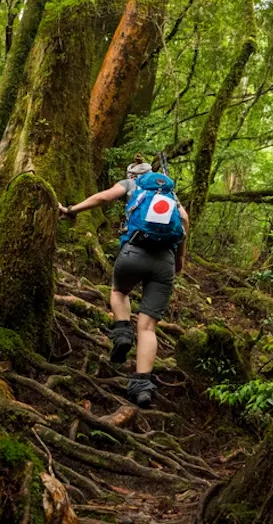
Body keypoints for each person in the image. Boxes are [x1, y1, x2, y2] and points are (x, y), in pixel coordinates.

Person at [58, 159, 189, 408]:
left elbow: (103, 198)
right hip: (164, 261)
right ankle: (141, 387)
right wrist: (180, 261)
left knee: (119, 291)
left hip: (134, 253)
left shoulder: (131, 184)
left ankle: (122, 332)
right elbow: (184, 222)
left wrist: (72, 210)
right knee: (148, 327)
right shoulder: (170, 195)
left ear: (131, 174)